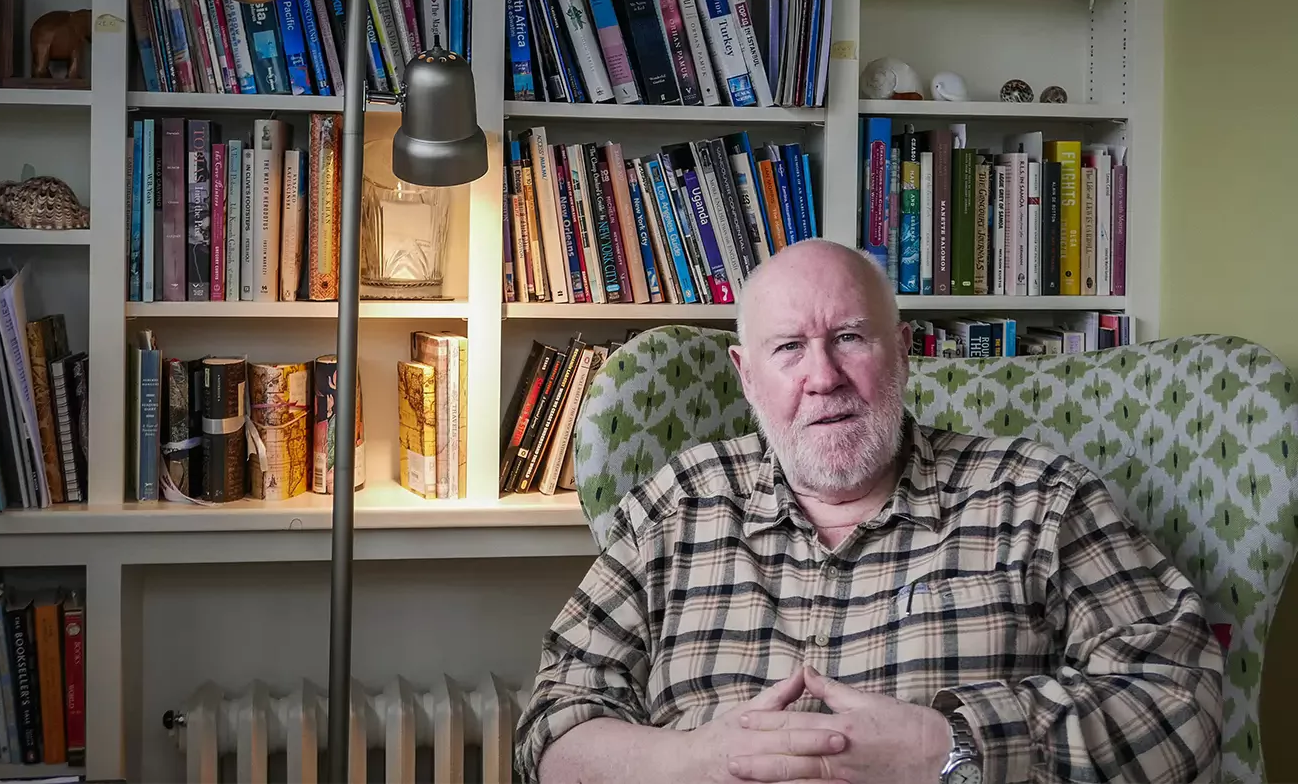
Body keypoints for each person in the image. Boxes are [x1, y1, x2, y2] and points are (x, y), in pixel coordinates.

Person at [513, 238, 1224, 784]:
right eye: (789, 348)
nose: (823, 377)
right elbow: (552, 726)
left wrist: (951, 749)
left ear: (903, 351)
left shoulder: (1039, 497)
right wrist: (696, 761)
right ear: (747, 377)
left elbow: (1182, 703)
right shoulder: (676, 506)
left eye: (849, 337)